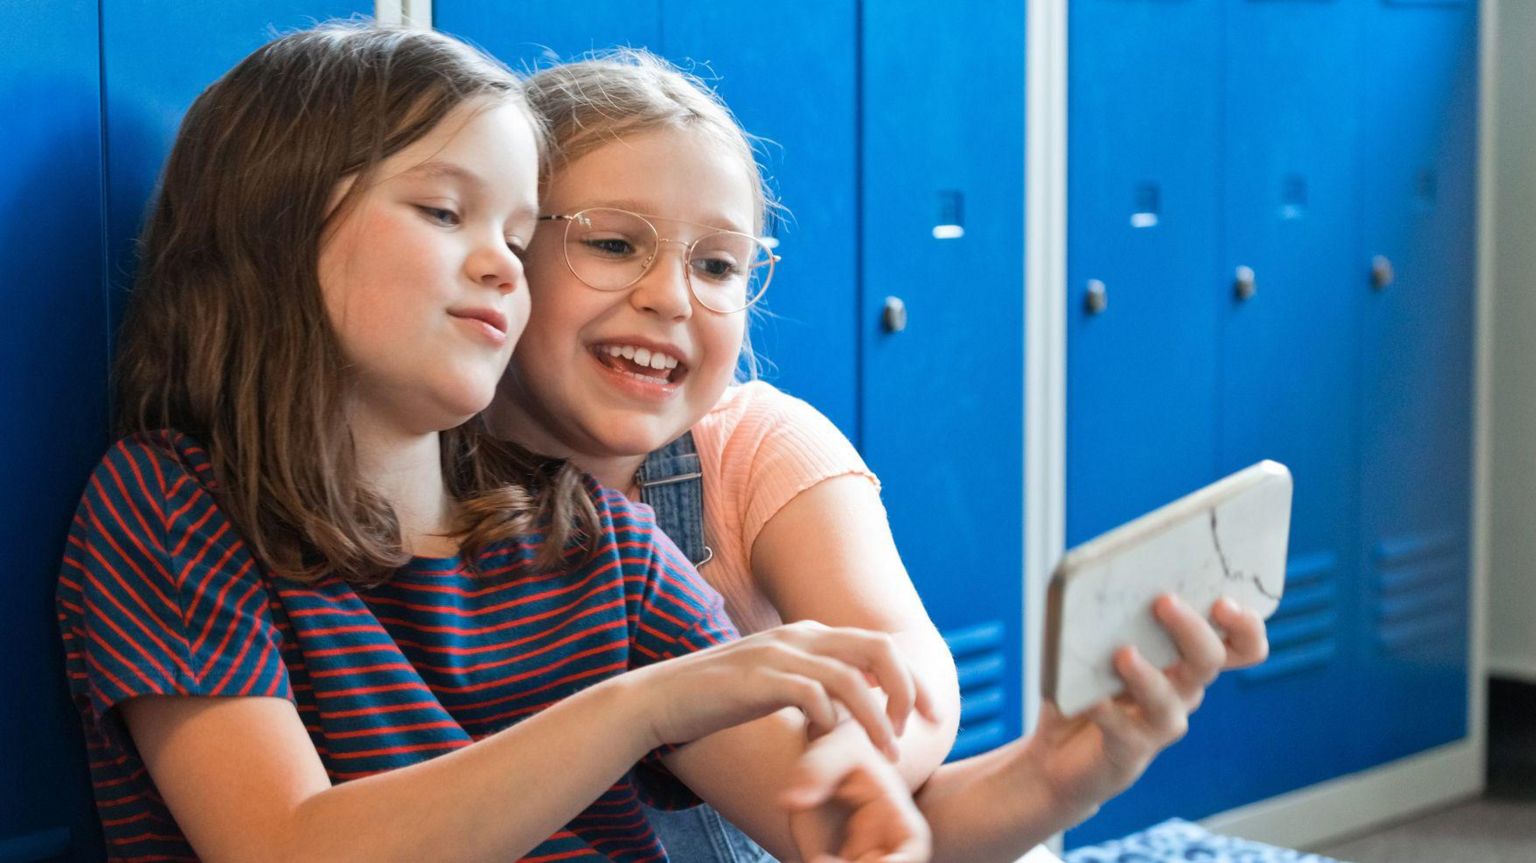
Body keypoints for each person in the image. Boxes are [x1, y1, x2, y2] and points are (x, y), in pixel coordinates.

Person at [56, 24, 937, 863]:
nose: (504, 265)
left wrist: (1058, 761)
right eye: (446, 212)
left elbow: (840, 825)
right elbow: (288, 843)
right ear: (274, 227)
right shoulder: (171, 503)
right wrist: (643, 704)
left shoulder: (594, 534)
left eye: (517, 239)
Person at [487, 49, 1272, 861]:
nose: (671, 295)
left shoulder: (759, 446)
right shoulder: (415, 497)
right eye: (614, 244)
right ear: (501, 248)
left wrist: (867, 759)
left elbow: (905, 679)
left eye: (718, 263)